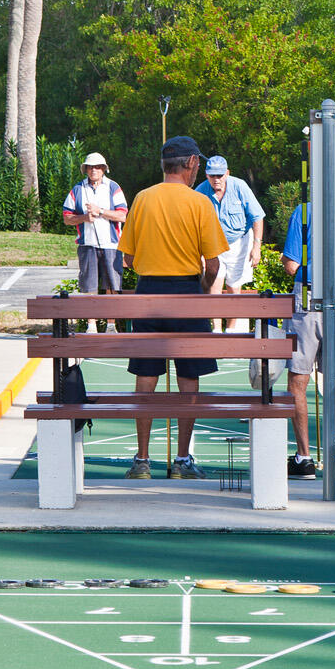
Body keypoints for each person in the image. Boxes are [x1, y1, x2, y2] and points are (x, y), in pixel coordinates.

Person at [114, 135, 229, 479]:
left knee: (146, 377)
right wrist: (205, 292)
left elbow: (129, 258)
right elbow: (212, 265)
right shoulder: (199, 203)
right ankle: (182, 460)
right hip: (186, 292)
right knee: (189, 377)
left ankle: (143, 460)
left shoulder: (143, 198)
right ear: (191, 163)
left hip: (149, 293)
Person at [280, 200, 335, 479]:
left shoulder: (305, 210)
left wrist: (298, 264)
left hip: (309, 296)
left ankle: (304, 458)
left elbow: (291, 264)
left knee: (298, 378)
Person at [196, 155, 265, 330]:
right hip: (213, 245)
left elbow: (257, 216)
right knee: (213, 287)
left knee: (234, 289)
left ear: (227, 173)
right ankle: (216, 331)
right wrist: (199, 253)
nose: (216, 179)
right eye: (212, 175)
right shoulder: (200, 191)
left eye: (220, 175)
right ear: (206, 175)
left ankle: (231, 330)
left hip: (240, 242)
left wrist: (256, 247)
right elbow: (192, 225)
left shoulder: (240, 186)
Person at [61, 152, 127, 331]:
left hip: (111, 244)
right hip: (87, 244)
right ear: (86, 169)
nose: (94, 170)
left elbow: (123, 215)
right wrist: (84, 217)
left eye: (98, 167)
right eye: (90, 167)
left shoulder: (113, 187)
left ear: (104, 169)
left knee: (112, 286)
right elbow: (67, 217)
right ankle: (92, 325)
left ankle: (111, 325)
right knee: (89, 286)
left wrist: (101, 211)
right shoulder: (77, 189)